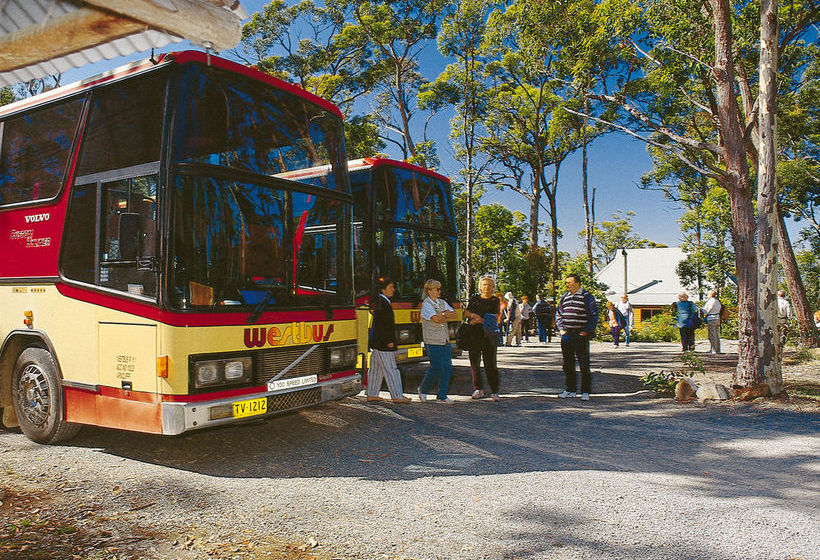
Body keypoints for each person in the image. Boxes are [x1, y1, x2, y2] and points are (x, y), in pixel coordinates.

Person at [367, 278, 412, 403]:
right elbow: (384, 326)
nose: (393, 290)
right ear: (383, 289)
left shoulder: (381, 302)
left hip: (377, 343)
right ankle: (398, 395)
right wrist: (389, 341)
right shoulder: (384, 304)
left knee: (376, 369)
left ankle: (372, 393)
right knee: (391, 369)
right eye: (391, 287)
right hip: (384, 343)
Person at [555, 273, 598, 401]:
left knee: (584, 363)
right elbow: (558, 314)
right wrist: (561, 328)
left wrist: (586, 330)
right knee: (567, 364)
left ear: (577, 283)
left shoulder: (586, 296)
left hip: (580, 334)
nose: (567, 285)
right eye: (566, 282)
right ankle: (570, 389)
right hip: (567, 334)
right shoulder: (564, 297)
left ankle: (585, 391)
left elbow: (594, 314)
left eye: (569, 282)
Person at [418, 279, 459, 404]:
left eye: (440, 289)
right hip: (432, 341)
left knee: (447, 367)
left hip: (444, 340)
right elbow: (436, 319)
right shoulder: (426, 305)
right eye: (437, 289)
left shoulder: (442, 302)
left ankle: (442, 396)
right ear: (429, 290)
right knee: (437, 367)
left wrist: (442, 315)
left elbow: (455, 315)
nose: (439, 291)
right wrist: (445, 315)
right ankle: (423, 389)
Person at [465, 275, 502, 401]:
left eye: (490, 285)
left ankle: (495, 391)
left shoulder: (495, 301)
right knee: (474, 363)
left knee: (490, 364)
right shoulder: (474, 299)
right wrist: (474, 315)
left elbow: (496, 317)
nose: (487, 287)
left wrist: (479, 320)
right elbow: (467, 312)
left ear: (493, 287)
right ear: (480, 286)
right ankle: (478, 389)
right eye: (485, 284)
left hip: (489, 336)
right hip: (474, 335)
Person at [701, 290, 722, 354]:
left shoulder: (710, 301)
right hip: (717, 318)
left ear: (711, 294)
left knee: (712, 334)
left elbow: (706, 310)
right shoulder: (717, 301)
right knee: (717, 334)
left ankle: (714, 349)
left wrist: (701, 310)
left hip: (711, 318)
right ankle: (718, 349)